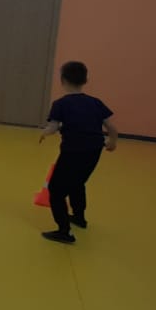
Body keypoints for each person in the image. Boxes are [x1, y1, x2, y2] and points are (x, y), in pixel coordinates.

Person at [38, 61, 118, 244]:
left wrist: (44, 133)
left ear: (62, 80)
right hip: (94, 151)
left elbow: (53, 127)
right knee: (78, 182)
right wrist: (112, 142)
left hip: (72, 152)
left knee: (56, 190)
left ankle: (64, 231)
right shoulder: (95, 102)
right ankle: (79, 217)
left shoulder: (60, 104)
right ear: (85, 80)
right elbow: (112, 128)